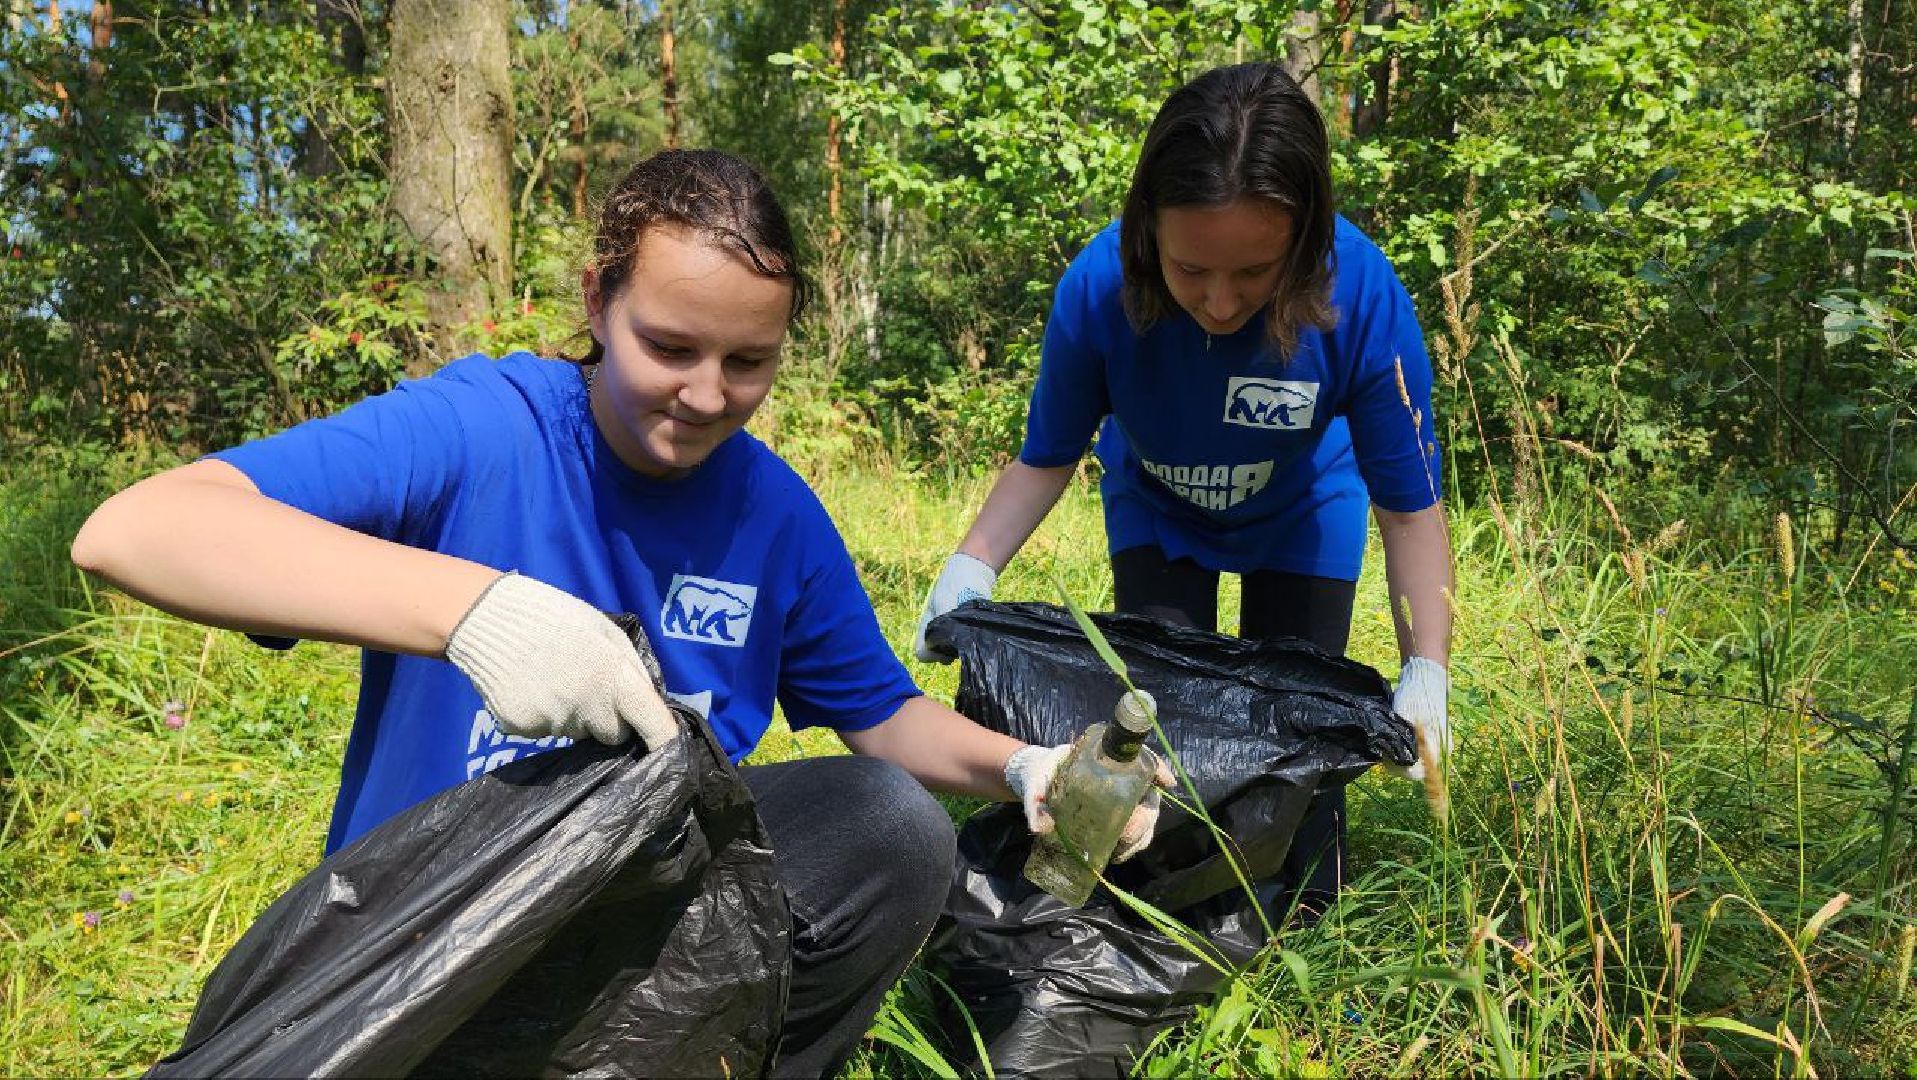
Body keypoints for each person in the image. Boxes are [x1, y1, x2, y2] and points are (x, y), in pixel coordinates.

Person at [70, 149, 1169, 1079]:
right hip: (423, 934)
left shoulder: (773, 514)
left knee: (889, 825)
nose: (705, 396)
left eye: (749, 363)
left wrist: (1033, 768)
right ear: (598, 300)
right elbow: (138, 530)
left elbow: (882, 716)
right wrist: (474, 610)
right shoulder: (484, 431)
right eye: (670, 348)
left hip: (641, 936)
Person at [913, 63, 1454, 917]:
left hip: (1304, 510)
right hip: (1158, 509)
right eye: (1189, 268)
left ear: (1306, 245)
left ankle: (1306, 918)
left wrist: (1426, 667)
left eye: (1254, 273)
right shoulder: (1097, 290)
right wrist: (969, 570)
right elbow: (1046, 456)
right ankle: (1174, 906)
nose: (1218, 300)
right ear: (1145, 233)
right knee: (1163, 721)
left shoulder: (1361, 296)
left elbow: (1409, 508)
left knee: (1299, 718)